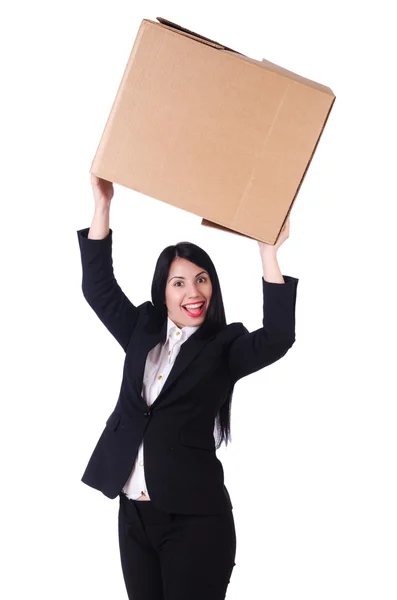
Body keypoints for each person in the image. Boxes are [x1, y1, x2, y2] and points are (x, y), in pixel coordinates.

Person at [76, 174, 299, 600]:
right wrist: (102, 204)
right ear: (163, 292)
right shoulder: (142, 330)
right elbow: (98, 288)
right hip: (133, 516)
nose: (193, 292)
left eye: (202, 279)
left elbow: (277, 337)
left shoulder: (225, 346)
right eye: (179, 283)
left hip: (196, 521)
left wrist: (268, 252)